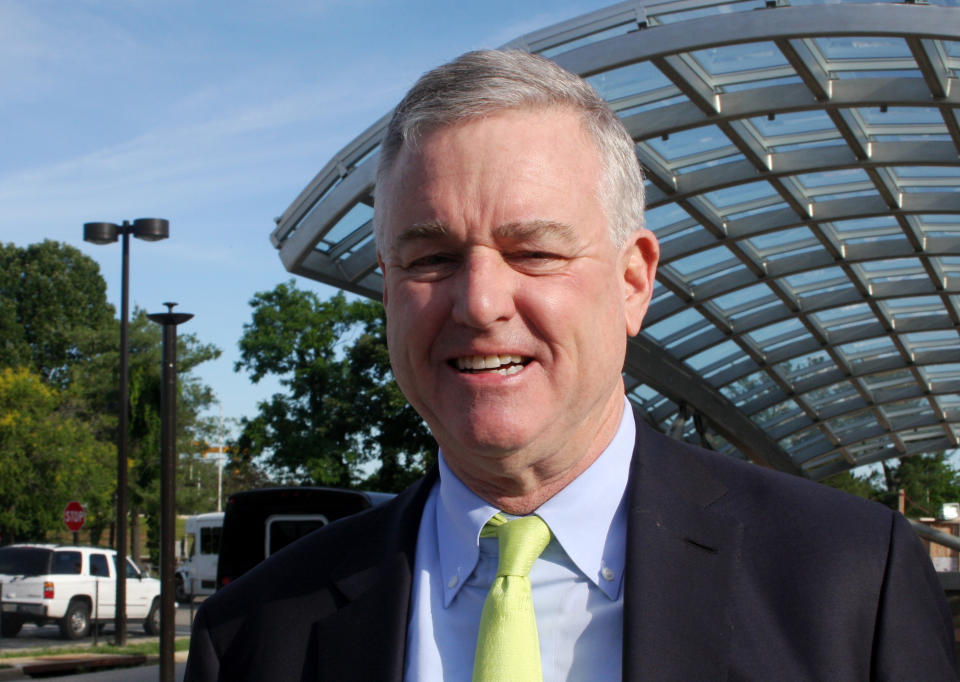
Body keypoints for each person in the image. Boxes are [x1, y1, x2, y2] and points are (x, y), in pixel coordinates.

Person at [185, 50, 956, 681]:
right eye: (431, 258)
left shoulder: (851, 584)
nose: (480, 302)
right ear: (387, 289)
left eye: (535, 252)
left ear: (633, 282)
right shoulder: (255, 634)